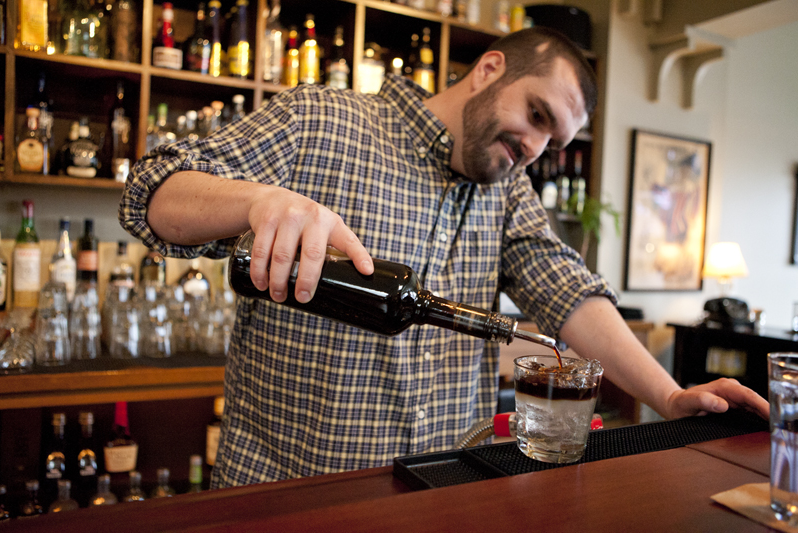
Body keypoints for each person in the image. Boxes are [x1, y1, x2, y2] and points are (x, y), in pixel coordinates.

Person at [120, 27, 768, 488]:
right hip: (291, 493)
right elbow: (150, 196)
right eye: (536, 113)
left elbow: (566, 288)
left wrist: (669, 393)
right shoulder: (319, 119)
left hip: (443, 492)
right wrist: (259, 201)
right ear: (489, 70)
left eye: (554, 138)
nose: (535, 147)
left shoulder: (507, 188)